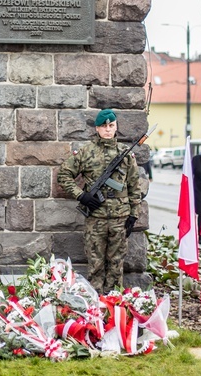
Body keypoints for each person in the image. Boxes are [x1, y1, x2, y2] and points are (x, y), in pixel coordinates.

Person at [57, 109, 141, 295]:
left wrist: (134, 215)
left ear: (116, 127)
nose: (108, 130)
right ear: (97, 128)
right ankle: (95, 308)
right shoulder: (86, 152)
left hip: (120, 218)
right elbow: (64, 175)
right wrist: (81, 195)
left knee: (116, 265)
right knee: (95, 266)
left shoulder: (125, 154)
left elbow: (135, 187)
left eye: (111, 126)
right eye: (104, 126)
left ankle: (114, 308)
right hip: (96, 219)